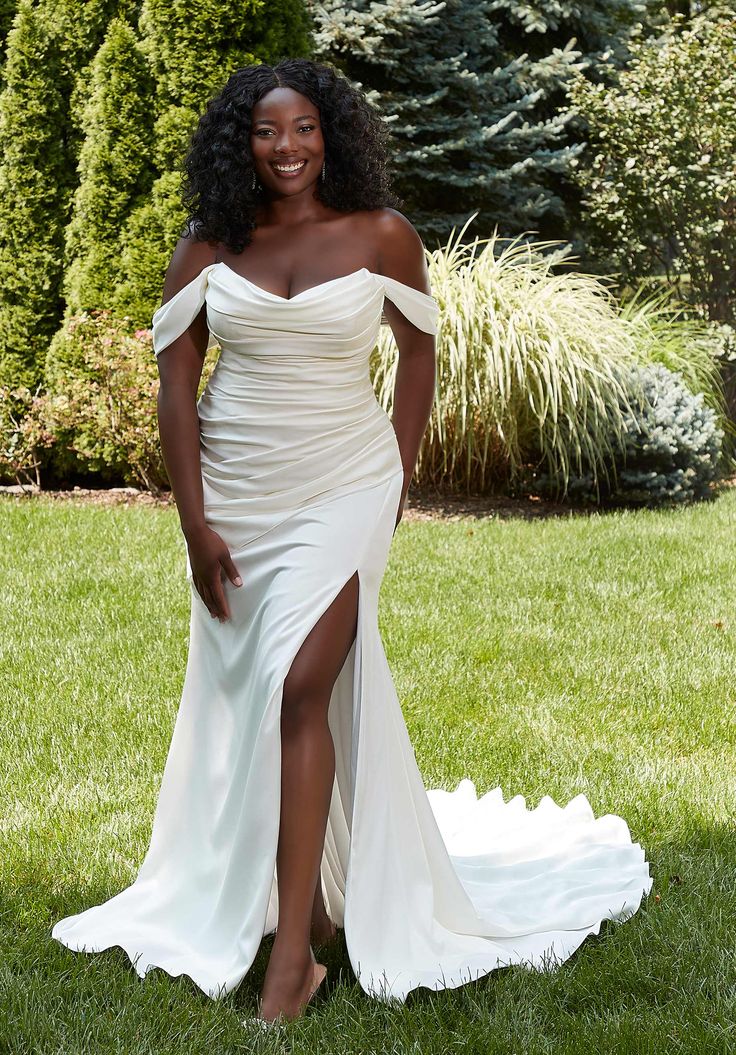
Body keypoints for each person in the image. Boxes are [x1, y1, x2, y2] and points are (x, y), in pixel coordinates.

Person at [51, 58, 652, 1029]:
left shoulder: (382, 236)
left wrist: (399, 472)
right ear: (239, 143)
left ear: (329, 132)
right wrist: (193, 523)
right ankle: (316, 898)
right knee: (257, 696)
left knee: (301, 689)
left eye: (303, 128)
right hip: (240, 494)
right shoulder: (208, 245)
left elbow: (418, 351)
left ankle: (294, 958)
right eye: (264, 132)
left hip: (345, 483)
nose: (286, 148)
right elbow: (175, 386)